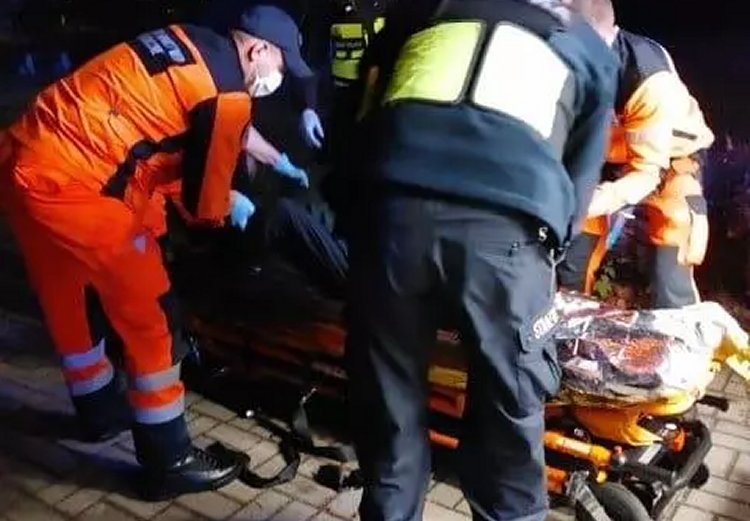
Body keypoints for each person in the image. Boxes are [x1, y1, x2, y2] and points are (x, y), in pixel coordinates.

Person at [0, 4, 310, 500]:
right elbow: (204, 203)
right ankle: (169, 459)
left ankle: (99, 411)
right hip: (80, 188)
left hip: (25, 157)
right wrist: (229, 203)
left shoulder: (189, 41)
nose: (280, 78)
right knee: (154, 319)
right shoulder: (228, 95)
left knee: (70, 295)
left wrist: (276, 158)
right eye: (281, 65)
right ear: (257, 51)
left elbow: (182, 124)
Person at [341, 0, 618, 519]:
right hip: (505, 238)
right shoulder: (586, 46)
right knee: (506, 425)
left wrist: (357, 216)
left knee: (389, 409)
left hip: (391, 220)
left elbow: (359, 116)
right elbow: (580, 181)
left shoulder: (424, 11)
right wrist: (545, 260)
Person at [556, 3, 715, 307]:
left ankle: (677, 325)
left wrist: (583, 205)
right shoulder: (559, 64)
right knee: (572, 258)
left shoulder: (647, 76)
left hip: (670, 161)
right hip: (605, 156)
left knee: (672, 255)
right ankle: (568, 324)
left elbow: (645, 174)